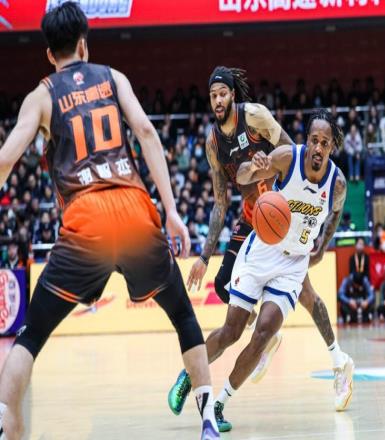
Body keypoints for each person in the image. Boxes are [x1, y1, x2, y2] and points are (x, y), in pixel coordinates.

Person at [0, 4, 219, 439]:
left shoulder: (41, 97)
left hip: (87, 221)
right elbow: (147, 133)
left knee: (32, 334)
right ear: (84, 44)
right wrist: (172, 211)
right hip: (135, 211)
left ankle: (5, 421)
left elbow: (7, 159)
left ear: (50, 54)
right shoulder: (114, 78)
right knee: (182, 315)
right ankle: (209, 419)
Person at [169, 69, 349, 416]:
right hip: (260, 221)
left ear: (233, 95)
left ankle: (325, 358)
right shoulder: (213, 143)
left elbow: (288, 150)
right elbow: (223, 199)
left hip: (284, 224)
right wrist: (204, 256)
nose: (218, 100)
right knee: (227, 303)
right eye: (213, 95)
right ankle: (192, 372)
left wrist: (321, 243)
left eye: (223, 93)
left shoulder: (256, 117)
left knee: (290, 311)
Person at [205, 109, 354, 431]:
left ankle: (220, 403)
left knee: (265, 330)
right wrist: (253, 167)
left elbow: (336, 213)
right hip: (264, 249)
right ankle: (192, 374)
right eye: (314, 140)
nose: (318, 147)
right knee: (232, 330)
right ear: (307, 140)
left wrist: (321, 247)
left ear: (332, 147)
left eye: (324, 143)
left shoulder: (338, 183)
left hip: (294, 261)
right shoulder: (288, 157)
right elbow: (242, 176)